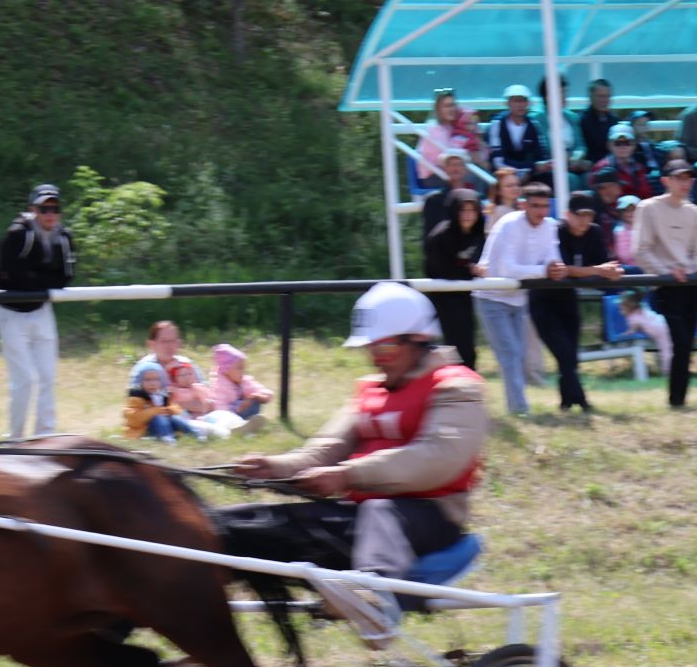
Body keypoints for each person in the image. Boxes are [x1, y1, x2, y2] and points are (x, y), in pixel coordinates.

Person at [233, 282, 489, 592]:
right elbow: (326, 450)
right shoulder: (369, 390)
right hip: (362, 515)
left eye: (384, 348)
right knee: (250, 521)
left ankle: (376, 596)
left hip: (430, 517)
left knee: (380, 510)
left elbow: (436, 458)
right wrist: (275, 468)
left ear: (418, 340)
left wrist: (348, 475)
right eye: (371, 348)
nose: (375, 358)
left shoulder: (458, 388)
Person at [0, 182, 74, 439]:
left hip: (41, 308)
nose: (50, 213)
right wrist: (40, 279)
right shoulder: (18, 233)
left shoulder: (64, 237)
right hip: (10, 311)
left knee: (48, 377)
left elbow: (65, 278)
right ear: (32, 209)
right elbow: (10, 275)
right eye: (44, 208)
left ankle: (44, 438)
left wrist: (34, 278)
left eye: (55, 208)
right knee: (26, 380)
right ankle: (14, 440)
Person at [473, 182, 559, 416]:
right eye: (535, 206)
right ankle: (520, 409)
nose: (541, 211)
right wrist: (546, 271)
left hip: (518, 299)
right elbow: (507, 269)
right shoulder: (509, 224)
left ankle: (517, 407)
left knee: (517, 354)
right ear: (523, 205)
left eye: (545, 206)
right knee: (510, 352)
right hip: (491, 297)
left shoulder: (550, 226)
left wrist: (554, 267)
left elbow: (553, 259)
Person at [632, 162, 697, 408]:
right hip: (665, 286)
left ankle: (679, 399)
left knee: (686, 345)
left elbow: (696, 252)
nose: (685, 183)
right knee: (681, 341)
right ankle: (677, 399)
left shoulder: (694, 212)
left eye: (689, 178)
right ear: (666, 180)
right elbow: (640, 251)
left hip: (690, 284)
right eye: (679, 178)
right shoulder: (648, 208)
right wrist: (666, 272)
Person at [542, 194, 622, 412]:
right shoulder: (556, 231)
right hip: (543, 299)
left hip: (568, 297)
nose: (584, 221)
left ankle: (567, 402)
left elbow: (603, 264)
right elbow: (563, 269)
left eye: (589, 216)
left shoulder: (594, 232)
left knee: (571, 355)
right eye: (580, 216)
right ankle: (582, 401)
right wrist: (598, 271)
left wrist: (609, 272)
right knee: (564, 353)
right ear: (568, 215)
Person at [424, 191, 485, 367]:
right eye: (462, 210)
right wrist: (470, 270)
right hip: (444, 296)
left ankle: (468, 381)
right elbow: (439, 270)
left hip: (465, 295)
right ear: (454, 211)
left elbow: (483, 257)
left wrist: (479, 268)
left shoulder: (478, 233)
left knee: (468, 345)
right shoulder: (441, 236)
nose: (468, 215)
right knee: (455, 345)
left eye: (472, 210)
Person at [125, 361, 201, 445]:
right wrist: (154, 411)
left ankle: (194, 434)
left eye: (156, 379)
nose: (152, 383)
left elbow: (177, 408)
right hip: (145, 429)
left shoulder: (163, 395)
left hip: (166, 425)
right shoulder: (137, 397)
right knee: (159, 418)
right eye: (147, 380)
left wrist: (171, 410)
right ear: (139, 381)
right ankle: (167, 438)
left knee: (176, 418)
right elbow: (133, 419)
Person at [485, 84, 551, 179]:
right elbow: (498, 161)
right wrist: (522, 172)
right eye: (516, 100)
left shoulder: (534, 124)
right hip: (504, 174)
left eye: (523, 100)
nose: (520, 105)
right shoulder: (497, 125)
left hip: (531, 174)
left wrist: (540, 166)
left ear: (528, 103)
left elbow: (541, 154)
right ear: (508, 103)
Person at [419, 87, 488, 179]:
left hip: (452, 171)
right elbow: (450, 158)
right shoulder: (435, 129)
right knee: (479, 177)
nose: (451, 109)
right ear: (438, 109)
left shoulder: (453, 126)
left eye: (453, 105)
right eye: (446, 106)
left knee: (485, 172)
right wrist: (473, 156)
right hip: (434, 175)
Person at [209, 342, 272, 432]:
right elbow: (220, 410)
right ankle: (240, 426)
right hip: (229, 418)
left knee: (254, 400)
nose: (243, 371)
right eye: (239, 368)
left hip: (241, 412)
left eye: (243, 368)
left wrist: (262, 396)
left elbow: (260, 389)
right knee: (226, 417)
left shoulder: (243, 380)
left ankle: (251, 422)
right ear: (226, 370)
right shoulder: (219, 386)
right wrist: (237, 410)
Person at [417, 148, 475, 234]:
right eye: (451, 164)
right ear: (445, 169)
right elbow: (429, 236)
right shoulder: (433, 201)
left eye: (459, 164)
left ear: (466, 169)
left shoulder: (474, 199)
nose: (455, 168)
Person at [593, 124, 653, 198]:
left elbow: (646, 194)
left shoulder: (639, 168)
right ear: (609, 145)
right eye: (617, 143)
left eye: (627, 143)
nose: (622, 147)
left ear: (634, 145)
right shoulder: (601, 168)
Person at [577, 78, 621, 163]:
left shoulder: (614, 120)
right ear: (590, 97)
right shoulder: (581, 120)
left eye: (607, 96)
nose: (604, 100)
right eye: (600, 96)